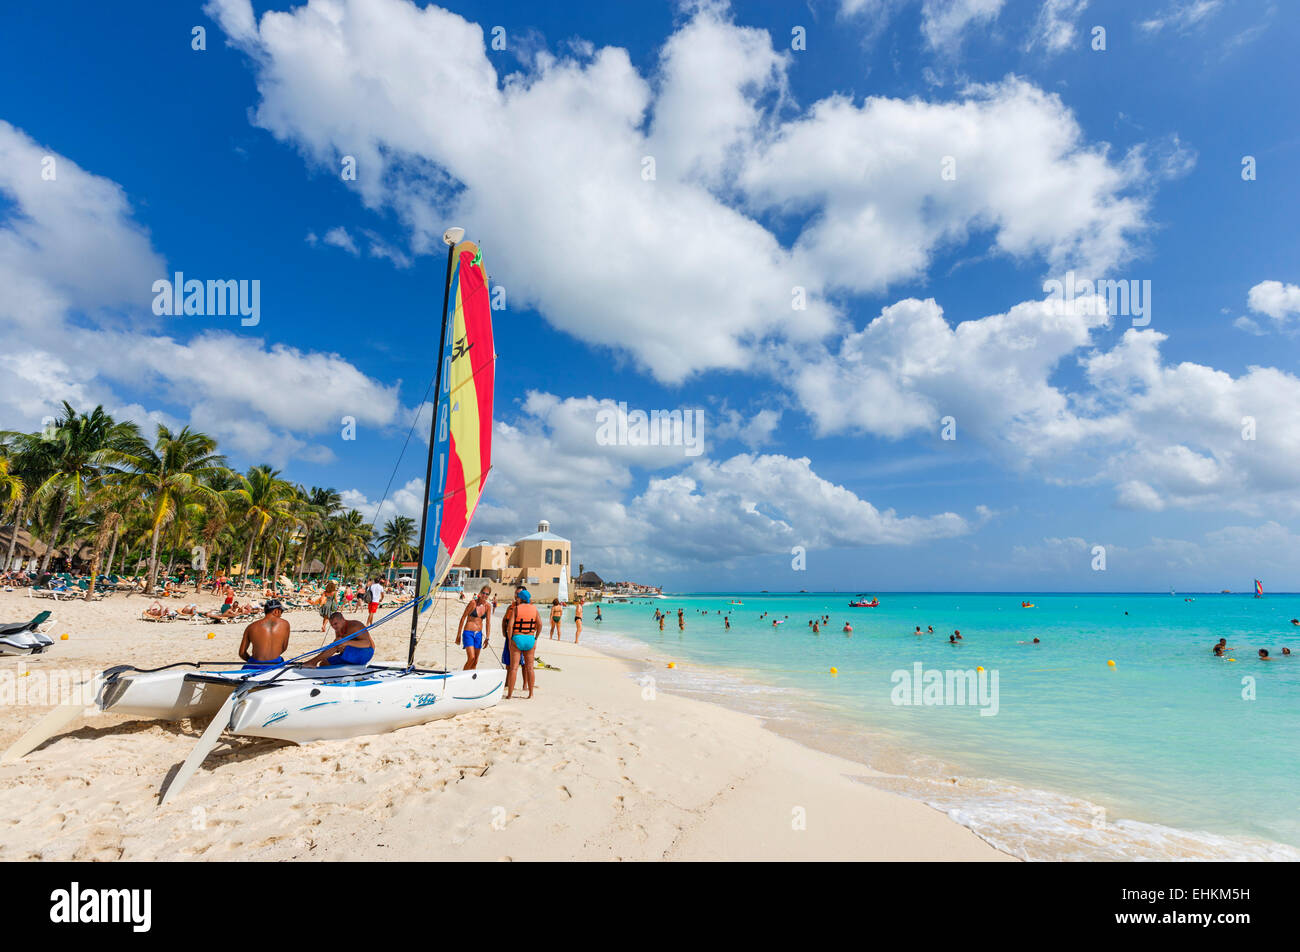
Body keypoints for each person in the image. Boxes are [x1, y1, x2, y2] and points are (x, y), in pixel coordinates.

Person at [505, 589, 541, 699]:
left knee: (514, 668)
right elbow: (540, 625)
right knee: (530, 668)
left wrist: (510, 639)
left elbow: (510, 626)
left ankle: (510, 694)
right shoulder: (534, 609)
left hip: (517, 638)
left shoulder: (516, 609)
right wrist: (536, 637)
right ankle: (530, 694)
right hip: (530, 638)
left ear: (520, 598)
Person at [307, 611, 375, 667]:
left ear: (342, 619)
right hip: (350, 653)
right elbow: (336, 647)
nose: (334, 627)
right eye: (332, 625)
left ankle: (312, 662)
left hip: (366, 653)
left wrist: (346, 642)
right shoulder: (338, 629)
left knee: (339, 642)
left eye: (335, 624)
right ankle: (313, 662)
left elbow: (367, 643)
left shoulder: (354, 626)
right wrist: (339, 648)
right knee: (323, 663)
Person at [239, 599, 291, 669]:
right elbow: (284, 648)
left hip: (254, 665)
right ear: (276, 611)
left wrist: (252, 661)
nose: (281, 615)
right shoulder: (285, 624)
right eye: (281, 612)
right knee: (281, 660)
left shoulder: (251, 627)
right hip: (275, 663)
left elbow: (242, 653)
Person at [456, 585, 493, 670]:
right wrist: (458, 635)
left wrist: (487, 637)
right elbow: (463, 618)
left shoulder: (488, 606)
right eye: (483, 593)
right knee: (471, 658)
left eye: (487, 594)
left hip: (478, 634)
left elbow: (488, 623)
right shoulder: (473, 603)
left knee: (475, 660)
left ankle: (470, 679)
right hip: (468, 632)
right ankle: (463, 676)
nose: (484, 595)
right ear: (480, 593)